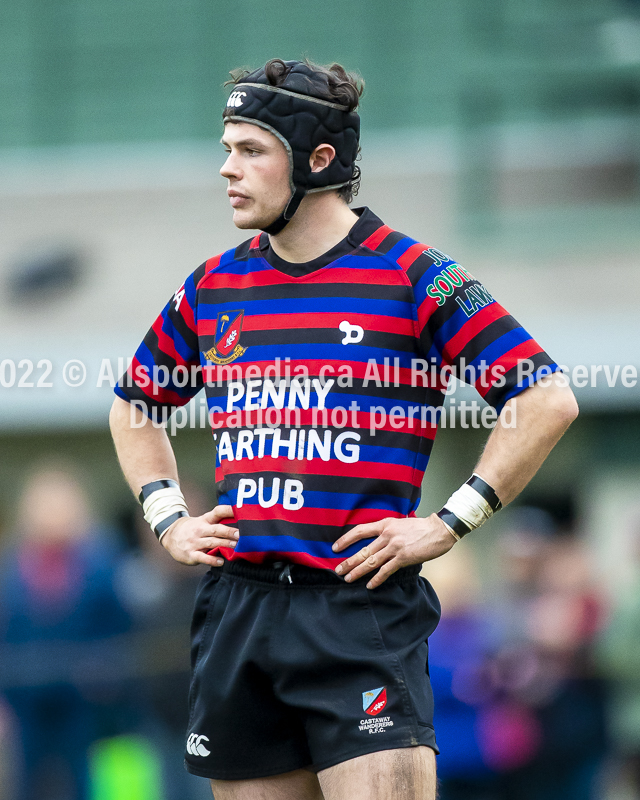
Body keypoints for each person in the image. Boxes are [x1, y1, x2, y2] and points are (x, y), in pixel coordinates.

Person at [109, 58, 579, 800]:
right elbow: (134, 406)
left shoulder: (416, 275)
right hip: (239, 608)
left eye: (249, 149)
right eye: (226, 148)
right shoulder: (212, 285)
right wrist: (167, 516)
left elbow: (545, 398)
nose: (226, 169)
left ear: (319, 160)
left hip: (356, 610)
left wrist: (450, 523)